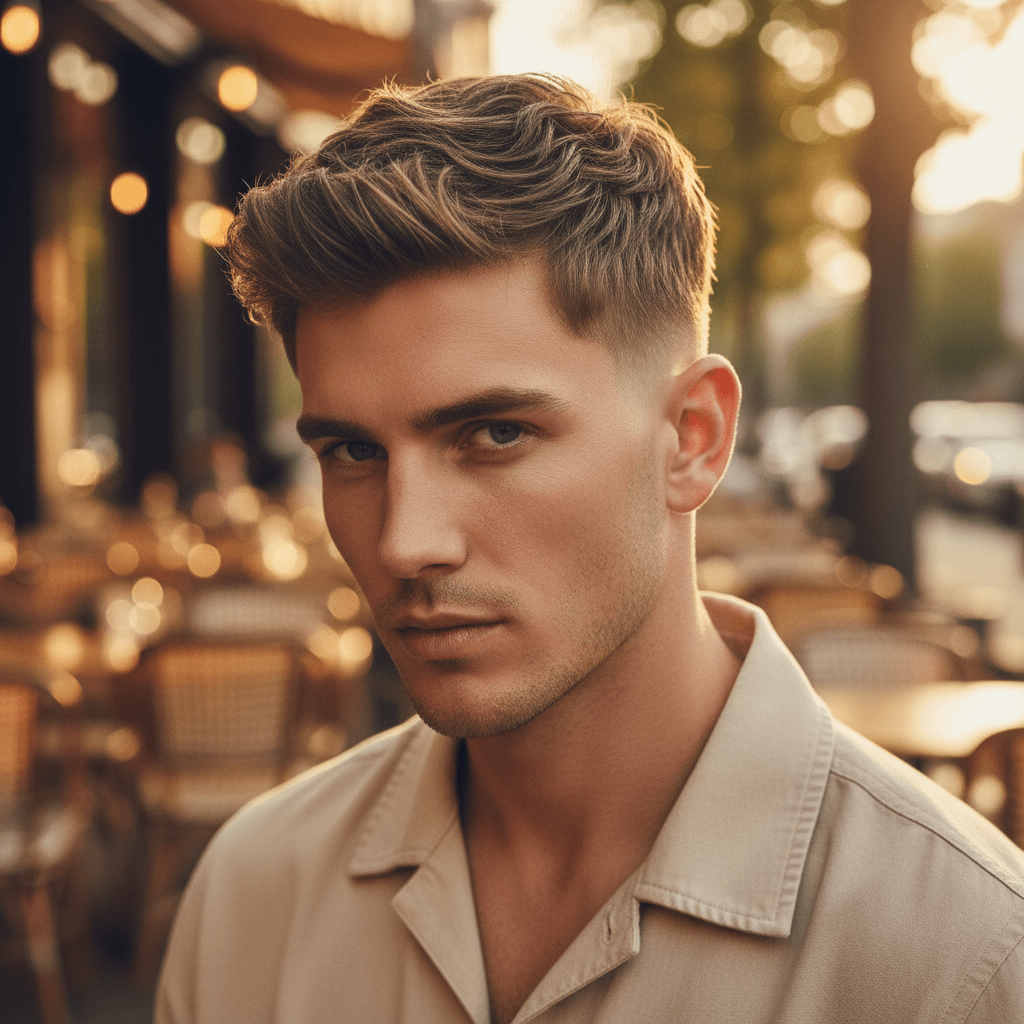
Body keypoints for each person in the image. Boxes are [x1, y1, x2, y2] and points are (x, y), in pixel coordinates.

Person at [156, 74, 1024, 1024]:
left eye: (494, 435)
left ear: (693, 438)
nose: (406, 543)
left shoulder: (964, 958)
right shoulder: (252, 897)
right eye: (353, 451)